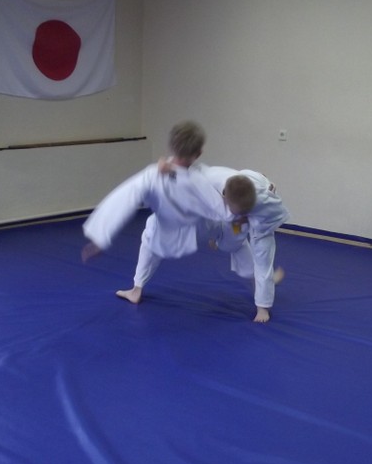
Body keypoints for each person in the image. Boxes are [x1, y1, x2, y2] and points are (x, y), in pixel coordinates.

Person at [81, 121, 227, 304]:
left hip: (165, 229)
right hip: (199, 230)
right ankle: (258, 295)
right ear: (199, 153)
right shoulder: (199, 178)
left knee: (150, 237)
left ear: (171, 147)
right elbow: (221, 208)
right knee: (233, 237)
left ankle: (136, 289)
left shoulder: (152, 175)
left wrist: (101, 237)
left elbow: (122, 199)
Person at [195, 165, 289, 323]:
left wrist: (251, 213)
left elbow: (264, 181)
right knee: (231, 243)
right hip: (233, 214)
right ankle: (259, 279)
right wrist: (216, 236)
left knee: (263, 259)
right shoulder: (211, 180)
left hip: (262, 217)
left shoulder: (266, 200)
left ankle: (263, 306)